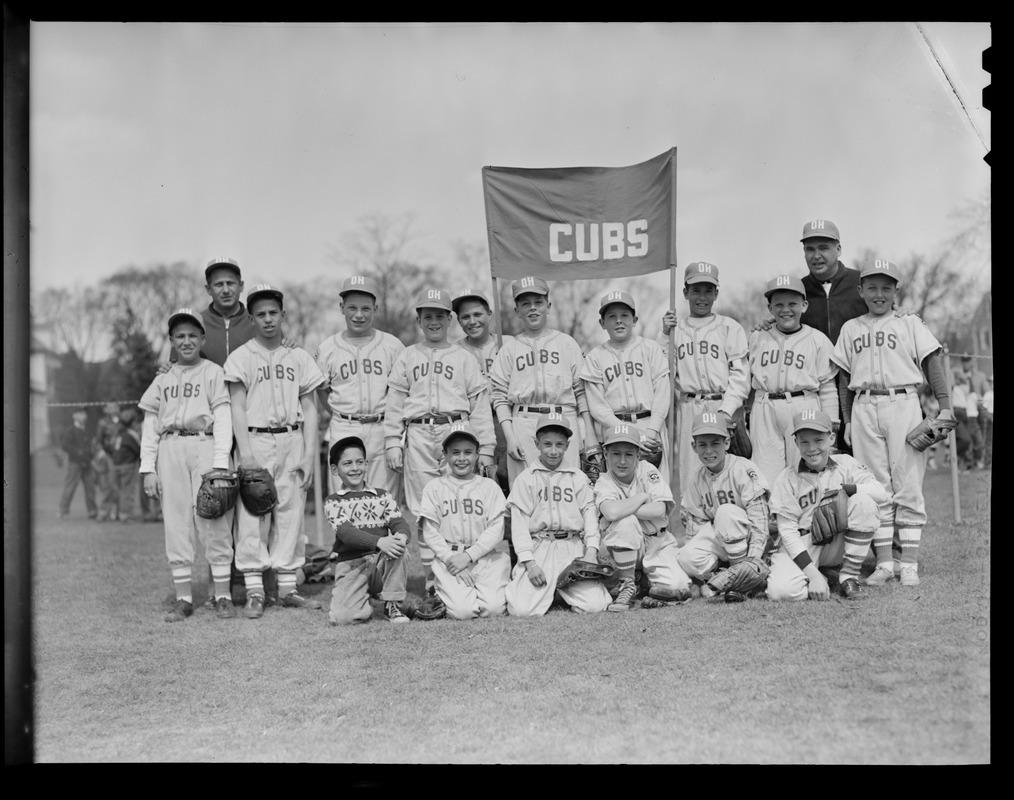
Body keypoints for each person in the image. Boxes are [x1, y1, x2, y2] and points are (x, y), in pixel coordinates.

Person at [831, 259, 955, 587]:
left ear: (896, 290)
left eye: (886, 287)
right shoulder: (851, 328)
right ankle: (885, 562)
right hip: (863, 407)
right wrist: (845, 420)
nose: (879, 293)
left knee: (909, 484)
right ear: (860, 290)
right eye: (872, 287)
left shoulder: (909, 322)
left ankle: (909, 563)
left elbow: (932, 362)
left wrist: (945, 406)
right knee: (876, 487)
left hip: (903, 402)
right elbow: (844, 378)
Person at [383, 288, 496, 593]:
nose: (433, 322)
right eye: (427, 316)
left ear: (450, 320)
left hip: (455, 430)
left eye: (439, 316)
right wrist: (393, 441)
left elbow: (480, 406)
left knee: (457, 505)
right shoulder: (408, 355)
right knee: (424, 509)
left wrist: (486, 448)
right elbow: (394, 404)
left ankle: (460, 572)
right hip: (418, 432)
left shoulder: (465, 356)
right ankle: (434, 578)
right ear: (419, 320)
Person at [224, 284, 325, 618]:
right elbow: (237, 409)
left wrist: (308, 454)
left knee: (290, 511)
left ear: (283, 315)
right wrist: (247, 453)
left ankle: (287, 588)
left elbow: (311, 410)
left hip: (291, 437)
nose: (268, 319)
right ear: (251, 318)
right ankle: (254, 589)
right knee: (252, 514)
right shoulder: (240, 357)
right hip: (256, 439)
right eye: (261, 314)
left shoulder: (298, 356)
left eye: (273, 313)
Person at [138, 308, 235, 622]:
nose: (187, 341)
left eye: (193, 335)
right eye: (180, 335)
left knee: (214, 519)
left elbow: (222, 419)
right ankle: (183, 599)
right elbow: (150, 424)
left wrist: (220, 463)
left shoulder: (213, 372)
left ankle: (222, 595)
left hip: (205, 445)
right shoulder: (163, 377)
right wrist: (148, 469)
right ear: (171, 340)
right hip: (171, 448)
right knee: (176, 523)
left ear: (203, 338)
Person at [765, 410, 887, 601]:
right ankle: (820, 574)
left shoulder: (846, 463)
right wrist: (813, 576)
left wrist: (845, 489)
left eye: (818, 440)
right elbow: (788, 532)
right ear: (796, 443)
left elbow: (881, 493)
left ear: (831, 438)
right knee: (780, 592)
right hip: (804, 542)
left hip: (838, 540)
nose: (812, 448)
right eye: (804, 441)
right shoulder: (786, 478)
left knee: (864, 501)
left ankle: (848, 576)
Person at [489, 276, 596, 488]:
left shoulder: (566, 343)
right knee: (526, 491)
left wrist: (589, 434)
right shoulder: (509, 349)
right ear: (517, 310)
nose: (532, 309)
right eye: (525, 304)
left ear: (548, 306)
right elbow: (499, 396)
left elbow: (581, 392)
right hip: (524, 421)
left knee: (567, 489)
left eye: (538, 302)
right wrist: (510, 436)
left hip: (563, 420)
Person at [658, 262, 750, 504]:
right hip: (690, 406)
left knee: (728, 473)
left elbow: (740, 377)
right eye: (696, 290)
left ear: (716, 293)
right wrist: (664, 335)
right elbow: (661, 370)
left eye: (708, 290)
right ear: (685, 292)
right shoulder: (675, 330)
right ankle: (693, 530)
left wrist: (726, 412)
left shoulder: (730, 327)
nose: (702, 297)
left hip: (722, 405)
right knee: (691, 473)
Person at [504, 413, 611, 617]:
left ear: (567, 445)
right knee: (521, 610)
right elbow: (518, 527)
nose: (553, 451)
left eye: (559, 445)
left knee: (595, 606)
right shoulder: (526, 479)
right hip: (540, 548)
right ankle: (547, 589)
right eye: (547, 444)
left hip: (572, 547)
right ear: (536, 444)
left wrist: (591, 551)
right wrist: (529, 562)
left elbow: (590, 519)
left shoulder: (578, 478)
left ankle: (558, 591)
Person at [314, 274, 405, 496]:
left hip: (383, 427)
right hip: (344, 426)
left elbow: (403, 391)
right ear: (342, 307)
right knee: (345, 499)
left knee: (384, 499)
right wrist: (340, 414)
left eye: (365, 308)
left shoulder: (393, 345)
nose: (358, 315)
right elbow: (322, 390)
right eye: (352, 308)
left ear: (376, 308)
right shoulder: (327, 348)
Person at [746, 275, 839, 484]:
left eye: (792, 304)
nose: (785, 309)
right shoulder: (757, 337)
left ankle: (806, 516)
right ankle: (771, 516)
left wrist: (831, 424)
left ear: (804, 306)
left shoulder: (818, 340)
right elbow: (747, 381)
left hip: (803, 404)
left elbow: (827, 388)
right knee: (765, 470)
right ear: (770, 308)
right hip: (765, 406)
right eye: (778, 304)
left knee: (805, 467)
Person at [594, 423, 692, 611]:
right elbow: (612, 513)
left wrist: (623, 507)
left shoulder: (647, 469)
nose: (622, 461)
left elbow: (658, 510)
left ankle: (643, 580)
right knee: (625, 521)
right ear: (606, 454)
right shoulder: (604, 481)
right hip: (622, 546)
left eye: (629, 454)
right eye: (616, 453)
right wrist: (641, 497)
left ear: (638, 455)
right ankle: (627, 583)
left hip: (657, 541)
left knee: (676, 586)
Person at [416, 424, 510, 620]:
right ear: (445, 454)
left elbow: (497, 528)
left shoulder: (489, 486)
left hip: (485, 557)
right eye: (455, 452)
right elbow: (430, 531)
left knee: (493, 610)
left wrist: (468, 556)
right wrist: (452, 559)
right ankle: (441, 590)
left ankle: (464, 591)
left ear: (477, 454)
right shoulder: (434, 487)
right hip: (450, 559)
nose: (461, 458)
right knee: (463, 612)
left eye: (468, 452)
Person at [581, 290, 672, 485]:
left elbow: (663, 393)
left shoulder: (650, 348)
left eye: (624, 315)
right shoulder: (595, 356)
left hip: (650, 427)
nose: (619, 321)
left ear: (634, 319)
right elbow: (598, 406)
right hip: (615, 429)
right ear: (602, 323)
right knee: (620, 490)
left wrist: (652, 431)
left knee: (655, 489)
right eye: (611, 316)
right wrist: (626, 432)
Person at [677, 412, 771, 598]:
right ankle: (720, 577)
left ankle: (743, 579)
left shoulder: (743, 468)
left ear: (727, 443)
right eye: (702, 444)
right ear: (693, 447)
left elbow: (760, 521)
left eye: (715, 443)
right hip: (723, 541)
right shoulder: (696, 479)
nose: (709, 450)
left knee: (726, 512)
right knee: (685, 556)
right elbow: (695, 529)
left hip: (749, 540)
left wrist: (752, 560)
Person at [324, 436, 411, 625]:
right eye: (347, 463)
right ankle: (361, 601)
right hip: (352, 566)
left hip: (381, 561)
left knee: (399, 548)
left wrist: (402, 537)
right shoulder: (333, 501)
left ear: (366, 464)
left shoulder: (382, 496)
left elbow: (399, 522)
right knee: (343, 618)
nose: (355, 468)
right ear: (334, 469)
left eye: (359, 462)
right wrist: (379, 542)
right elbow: (346, 533)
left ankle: (392, 604)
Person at [58, 407, 98, 520]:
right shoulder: (71, 430)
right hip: (75, 464)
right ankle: (63, 509)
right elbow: (65, 445)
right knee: (70, 487)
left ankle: (92, 511)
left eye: (85, 414)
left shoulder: (87, 430)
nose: (84, 416)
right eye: (81, 414)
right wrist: (78, 452)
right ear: (75, 416)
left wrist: (91, 452)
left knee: (90, 489)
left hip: (88, 463)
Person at [109, 405, 142, 523]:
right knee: (127, 491)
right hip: (127, 466)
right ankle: (125, 515)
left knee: (116, 490)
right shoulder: (131, 434)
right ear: (132, 422)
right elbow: (139, 449)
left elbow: (111, 447)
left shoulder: (118, 433)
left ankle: (115, 513)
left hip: (115, 464)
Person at [94, 402, 120, 520]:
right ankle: (103, 512)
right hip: (109, 457)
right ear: (105, 410)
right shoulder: (102, 423)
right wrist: (101, 452)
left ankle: (119, 512)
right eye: (110, 407)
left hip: (122, 457)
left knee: (120, 486)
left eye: (115, 407)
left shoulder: (121, 422)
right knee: (109, 486)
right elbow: (99, 441)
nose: (113, 409)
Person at [981, 375, 993, 467]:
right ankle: (987, 462)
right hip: (990, 419)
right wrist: (990, 418)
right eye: (990, 383)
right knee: (989, 441)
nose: (991, 384)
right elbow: (983, 408)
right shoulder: (988, 394)